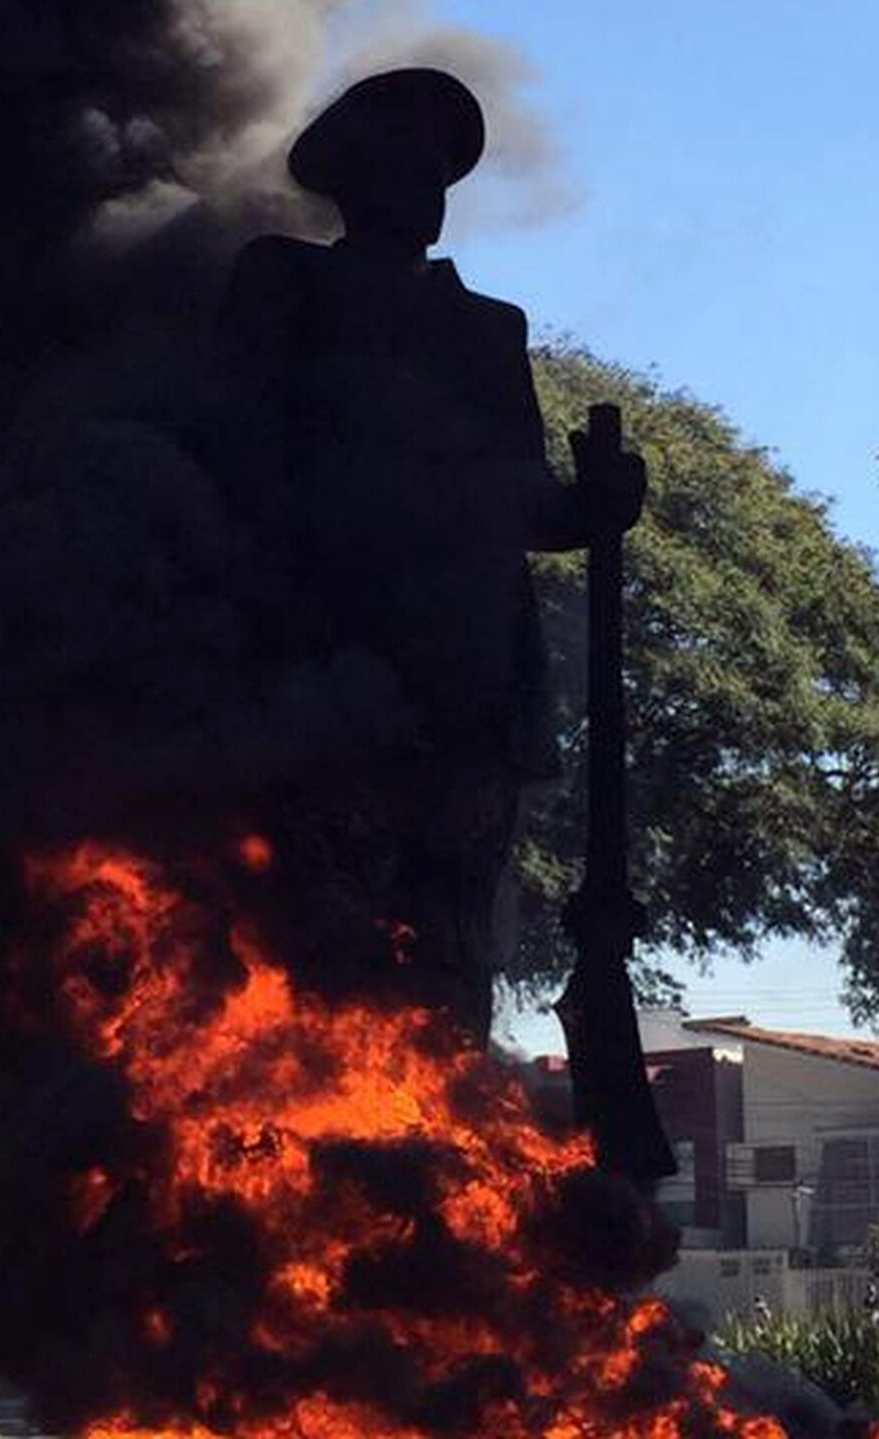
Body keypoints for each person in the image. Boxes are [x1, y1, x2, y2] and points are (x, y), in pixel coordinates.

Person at [205, 69, 642, 1038]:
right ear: (352, 181)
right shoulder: (285, 283)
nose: (428, 190)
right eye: (405, 164)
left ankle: (436, 1127)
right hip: (321, 673)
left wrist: (592, 506)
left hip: (469, 677)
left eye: (440, 172)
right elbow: (232, 451)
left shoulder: (491, 330)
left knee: (448, 939)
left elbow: (523, 494)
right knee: (318, 937)